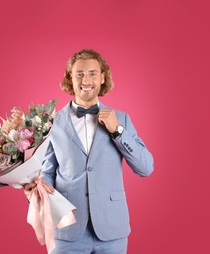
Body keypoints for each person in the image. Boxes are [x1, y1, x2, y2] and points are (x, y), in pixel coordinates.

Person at [24, 49, 154, 253]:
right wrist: (36, 191)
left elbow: (145, 167)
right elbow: (47, 172)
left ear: (103, 77)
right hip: (67, 229)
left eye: (93, 73)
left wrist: (118, 131)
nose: (87, 80)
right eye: (80, 74)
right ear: (70, 78)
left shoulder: (122, 119)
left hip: (112, 230)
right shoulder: (51, 123)